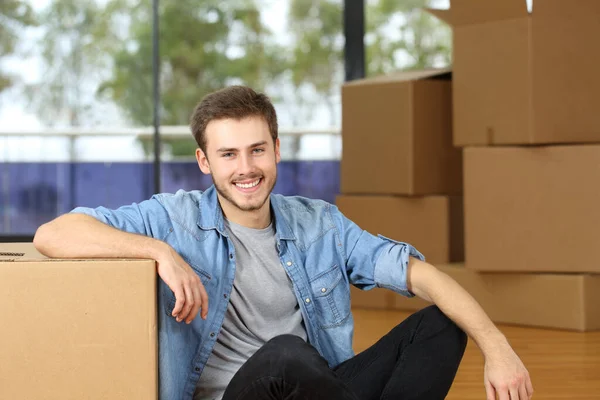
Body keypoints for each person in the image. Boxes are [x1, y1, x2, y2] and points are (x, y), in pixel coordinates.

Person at [33, 86, 533, 400]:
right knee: (286, 353)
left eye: (257, 150)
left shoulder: (320, 225)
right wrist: (160, 253)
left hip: (317, 391)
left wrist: (499, 348)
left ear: (276, 149)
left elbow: (420, 274)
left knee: (441, 324)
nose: (245, 168)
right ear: (205, 162)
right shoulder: (173, 219)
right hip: (238, 394)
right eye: (228, 154)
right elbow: (52, 234)